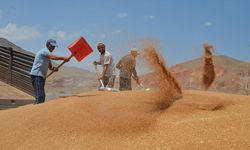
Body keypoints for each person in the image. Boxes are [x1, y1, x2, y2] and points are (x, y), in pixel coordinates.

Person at [30, 39, 69, 104]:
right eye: (52, 46)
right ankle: (36, 110)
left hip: (41, 76)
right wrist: (63, 58)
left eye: (54, 47)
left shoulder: (47, 55)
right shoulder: (44, 51)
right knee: (40, 96)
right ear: (48, 45)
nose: (53, 48)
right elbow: (53, 57)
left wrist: (54, 69)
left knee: (41, 96)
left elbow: (50, 67)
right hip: (36, 75)